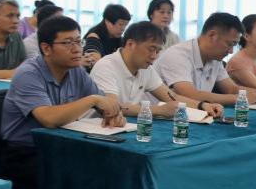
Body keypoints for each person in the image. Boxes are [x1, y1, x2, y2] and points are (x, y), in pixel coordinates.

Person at [0, 16, 123, 189]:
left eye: (79, 42)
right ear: (46, 48)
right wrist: (93, 100)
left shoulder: (76, 71)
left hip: (62, 146)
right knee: (89, 174)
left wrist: (114, 114)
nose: (77, 49)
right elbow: (49, 119)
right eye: (67, 43)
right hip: (25, 153)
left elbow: (105, 105)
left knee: (114, 166)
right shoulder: (28, 73)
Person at [91, 21, 224, 119]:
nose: (154, 56)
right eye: (151, 49)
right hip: (94, 131)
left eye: (158, 51)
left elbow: (172, 97)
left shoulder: (145, 69)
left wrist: (202, 105)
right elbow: (113, 106)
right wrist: (158, 110)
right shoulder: (106, 66)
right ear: (130, 44)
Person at [155, 12, 256, 107]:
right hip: (159, 118)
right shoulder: (177, 55)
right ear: (212, 35)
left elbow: (231, 88)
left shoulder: (215, 58)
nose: (231, 51)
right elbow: (190, 94)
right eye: (229, 44)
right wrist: (240, 98)